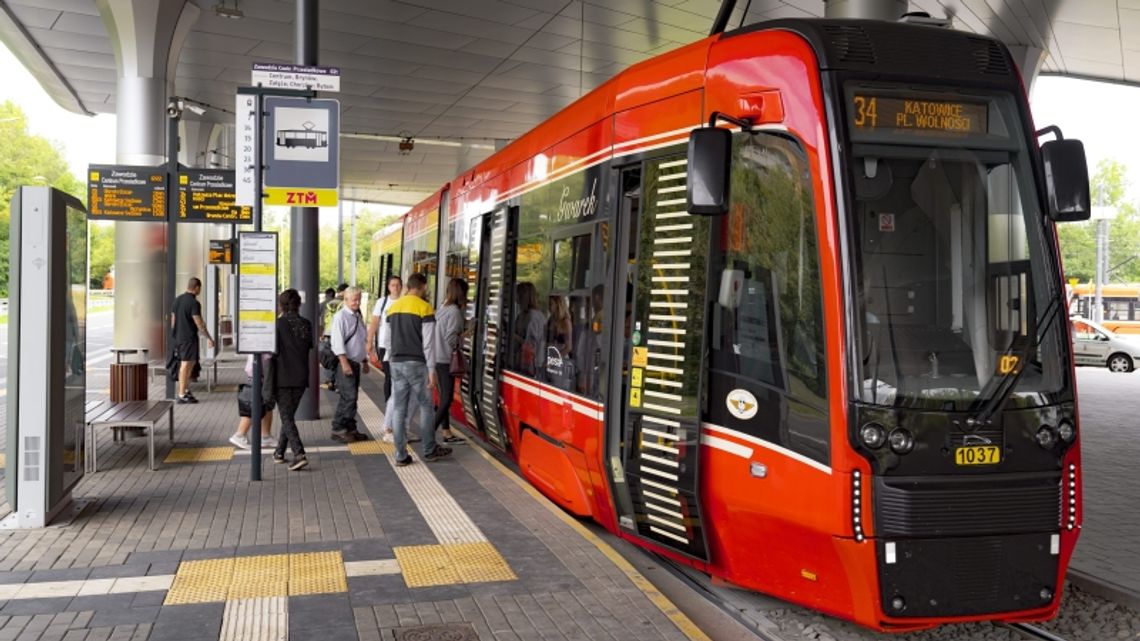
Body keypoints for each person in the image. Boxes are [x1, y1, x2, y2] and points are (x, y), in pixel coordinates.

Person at [387, 272, 450, 466]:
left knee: (399, 408)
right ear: (422, 286)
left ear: (407, 286)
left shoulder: (393, 307)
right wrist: (432, 370)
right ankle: (429, 450)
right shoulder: (424, 307)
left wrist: (391, 360)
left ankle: (400, 455)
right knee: (426, 406)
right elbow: (429, 344)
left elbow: (388, 340)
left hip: (396, 362)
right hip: (417, 363)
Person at [272, 288, 312, 471]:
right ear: (298, 304)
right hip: (302, 376)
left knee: (286, 417)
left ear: (281, 305)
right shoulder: (306, 324)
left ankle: (299, 453)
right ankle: (279, 452)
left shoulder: (278, 324)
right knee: (288, 416)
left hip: (283, 377)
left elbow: (274, 351)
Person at [330, 286, 371, 442]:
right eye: (354, 299)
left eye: (359, 299)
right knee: (349, 397)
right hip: (346, 363)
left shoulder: (356, 316)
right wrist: (344, 363)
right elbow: (337, 342)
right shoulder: (341, 317)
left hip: (354, 362)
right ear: (346, 300)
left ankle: (350, 428)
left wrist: (365, 361)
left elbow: (360, 340)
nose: (357, 302)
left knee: (351, 398)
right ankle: (339, 428)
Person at [432, 278, 468, 444]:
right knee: (447, 399)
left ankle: (446, 432)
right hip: (446, 359)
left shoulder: (442, 307)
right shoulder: (454, 311)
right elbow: (450, 337)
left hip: (437, 357)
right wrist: (466, 335)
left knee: (442, 397)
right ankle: (429, 431)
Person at [170, 277, 214, 404]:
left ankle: (185, 389)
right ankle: (181, 394)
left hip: (179, 337)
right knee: (185, 365)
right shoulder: (194, 303)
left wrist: (175, 334)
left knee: (191, 363)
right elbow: (199, 323)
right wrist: (209, 338)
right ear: (197, 288)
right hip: (188, 338)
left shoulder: (177, 300)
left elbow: (173, 320)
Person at [367, 275, 403, 408]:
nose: (396, 287)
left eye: (398, 284)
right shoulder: (382, 302)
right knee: (389, 376)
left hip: (401, 345)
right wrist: (369, 342)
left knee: (399, 378)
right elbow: (374, 322)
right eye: (393, 285)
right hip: (385, 345)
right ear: (388, 287)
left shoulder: (405, 301)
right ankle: (389, 405)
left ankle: (398, 405)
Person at [230, 354, 274, 449]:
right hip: (260, 373)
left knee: (267, 405)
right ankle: (240, 434)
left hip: (256, 372)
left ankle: (265, 435)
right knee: (256, 405)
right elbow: (268, 356)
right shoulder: (263, 340)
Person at [512, 282, 545, 376]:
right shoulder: (522, 315)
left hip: (530, 365)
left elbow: (530, 344)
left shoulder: (532, 317)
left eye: (518, 294)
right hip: (522, 362)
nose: (515, 298)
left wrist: (512, 336)